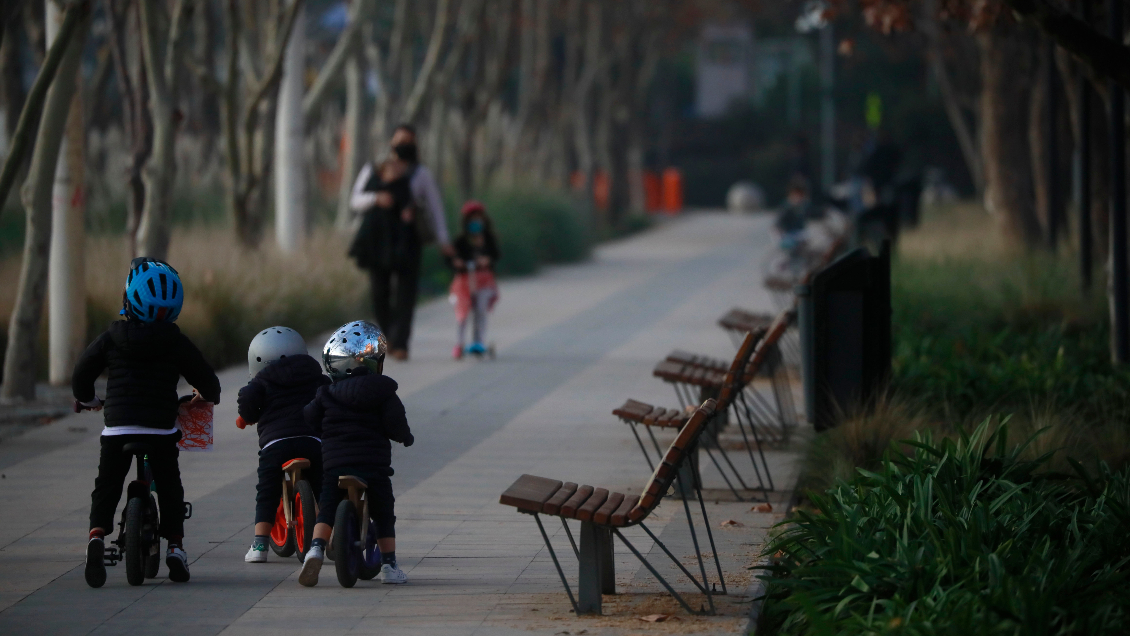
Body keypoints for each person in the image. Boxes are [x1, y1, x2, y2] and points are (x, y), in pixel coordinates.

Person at [74, 258, 221, 588]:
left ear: (128, 298)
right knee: (169, 485)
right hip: (159, 429)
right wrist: (204, 395)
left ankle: (96, 537)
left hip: (118, 427)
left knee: (107, 486)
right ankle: (176, 548)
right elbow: (207, 379)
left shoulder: (111, 337)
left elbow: (82, 372)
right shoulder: (175, 341)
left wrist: (87, 399)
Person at [298, 321, 414, 587]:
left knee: (327, 505)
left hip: (336, 464)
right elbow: (396, 425)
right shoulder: (383, 393)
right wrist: (405, 437)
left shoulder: (325, 393)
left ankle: (315, 548)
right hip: (373, 467)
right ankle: (389, 565)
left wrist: (321, 427)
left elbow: (309, 417)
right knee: (384, 511)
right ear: (374, 363)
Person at [349, 124, 453, 361]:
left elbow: (435, 207)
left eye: (408, 142)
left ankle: (402, 344)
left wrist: (443, 240)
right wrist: (377, 198)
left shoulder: (421, 174)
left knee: (406, 294)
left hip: (408, 240)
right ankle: (389, 338)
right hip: (377, 239)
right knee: (379, 292)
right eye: (400, 141)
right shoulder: (373, 168)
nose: (403, 146)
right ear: (391, 144)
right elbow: (355, 200)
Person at [236, 326, 329, 563]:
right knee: (323, 487)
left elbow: (247, 399)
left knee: (267, 491)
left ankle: (259, 545)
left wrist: (246, 416)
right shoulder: (317, 377)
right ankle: (331, 533)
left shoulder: (261, 383)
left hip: (276, 444)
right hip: (312, 440)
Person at [448, 201, 500, 359]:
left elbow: (496, 255)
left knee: (481, 311)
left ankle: (480, 341)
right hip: (464, 282)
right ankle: (459, 342)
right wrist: (457, 262)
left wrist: (487, 260)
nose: (476, 223)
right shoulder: (461, 241)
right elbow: (451, 258)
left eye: (479, 219)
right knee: (462, 313)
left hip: (484, 281)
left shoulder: (489, 239)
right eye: (472, 219)